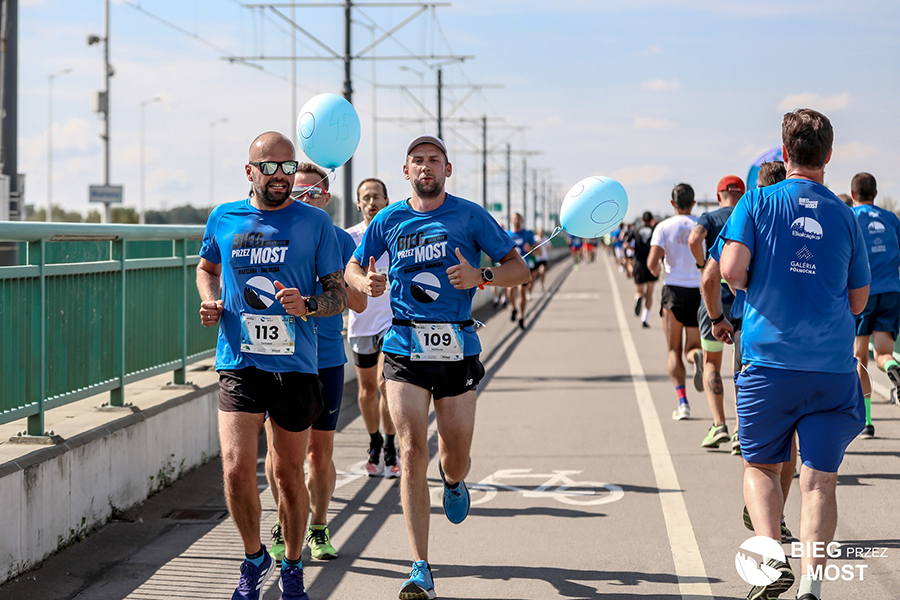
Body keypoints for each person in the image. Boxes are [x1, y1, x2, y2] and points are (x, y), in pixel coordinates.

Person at [345, 135, 529, 600]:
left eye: (434, 160)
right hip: (404, 344)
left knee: (455, 453)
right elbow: (351, 268)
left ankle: (454, 480)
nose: (426, 167)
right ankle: (420, 566)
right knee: (410, 451)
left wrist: (481, 275)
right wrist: (365, 280)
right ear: (406, 172)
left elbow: (519, 269)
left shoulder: (470, 215)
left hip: (457, 346)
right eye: (418, 162)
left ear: (448, 169)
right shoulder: (387, 219)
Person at [719, 109, 869, 600]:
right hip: (830, 369)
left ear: (784, 155)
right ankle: (812, 586)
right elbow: (858, 300)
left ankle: (770, 557)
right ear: (828, 156)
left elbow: (732, 270)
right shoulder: (846, 215)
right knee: (819, 482)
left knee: (761, 468)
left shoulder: (757, 201)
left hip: (770, 364)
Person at [196, 132, 347, 600]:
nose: (281, 176)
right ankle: (253, 557)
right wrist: (211, 302)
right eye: (271, 167)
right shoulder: (224, 217)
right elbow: (206, 267)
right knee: (237, 469)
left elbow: (339, 295)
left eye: (288, 167)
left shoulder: (315, 223)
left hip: (296, 366)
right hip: (239, 361)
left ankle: (293, 564)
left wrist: (308, 305)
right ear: (250, 172)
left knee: (285, 475)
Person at [263, 163, 368, 565]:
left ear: (326, 197)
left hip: (324, 358)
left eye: (313, 193)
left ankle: (319, 525)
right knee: (278, 452)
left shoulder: (340, 240)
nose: (305, 198)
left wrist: (339, 290)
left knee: (318, 452)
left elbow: (358, 303)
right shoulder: (273, 231)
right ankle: (283, 519)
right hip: (278, 359)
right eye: (299, 191)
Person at [347, 177, 400, 476]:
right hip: (361, 323)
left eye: (377, 197)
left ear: (386, 201)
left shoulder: (395, 234)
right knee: (367, 391)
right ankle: (374, 442)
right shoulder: (349, 237)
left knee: (385, 384)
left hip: (392, 322)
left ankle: (391, 446)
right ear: (358, 204)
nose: (372, 202)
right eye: (366, 198)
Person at [688, 175, 744, 449]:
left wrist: (702, 265)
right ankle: (739, 430)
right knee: (741, 365)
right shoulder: (749, 213)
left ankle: (718, 424)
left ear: (719, 193)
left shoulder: (710, 217)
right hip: (742, 297)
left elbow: (694, 238)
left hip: (714, 298)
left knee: (712, 362)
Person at [647, 184, 703, 420]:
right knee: (692, 347)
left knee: (673, 350)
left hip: (673, 292)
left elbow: (652, 264)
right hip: (696, 291)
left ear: (672, 204)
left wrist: (661, 268)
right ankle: (696, 357)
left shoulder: (663, 227)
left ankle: (683, 403)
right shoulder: (701, 225)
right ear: (694, 203)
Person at [851, 172, 900, 439]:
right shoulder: (891, 219)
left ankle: (866, 421)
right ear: (875, 194)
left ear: (853, 194)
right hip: (892, 292)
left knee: (859, 357)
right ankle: (892, 367)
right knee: (882, 355)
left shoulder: (850, 217)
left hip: (863, 292)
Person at [507, 212, 536, 330]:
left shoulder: (528, 234)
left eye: (518, 219)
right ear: (510, 220)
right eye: (514, 218)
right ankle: (514, 308)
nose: (516, 221)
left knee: (522, 293)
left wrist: (531, 249)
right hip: (510, 269)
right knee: (510, 290)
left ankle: (521, 316)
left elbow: (538, 251)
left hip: (524, 268)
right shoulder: (506, 234)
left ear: (522, 220)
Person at [629, 212, 657, 328]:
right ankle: (644, 319)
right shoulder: (655, 230)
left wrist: (634, 250)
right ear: (651, 220)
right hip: (652, 262)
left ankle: (638, 297)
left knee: (639, 289)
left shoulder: (636, 230)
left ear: (642, 219)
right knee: (649, 293)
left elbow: (625, 243)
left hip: (639, 263)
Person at [532, 226, 550, 292]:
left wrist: (549, 247)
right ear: (538, 232)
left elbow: (549, 246)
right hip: (536, 259)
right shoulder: (535, 238)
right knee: (533, 276)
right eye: (540, 231)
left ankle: (541, 284)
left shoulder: (546, 238)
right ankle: (530, 291)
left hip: (543, 258)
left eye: (542, 232)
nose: (541, 233)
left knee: (543, 270)